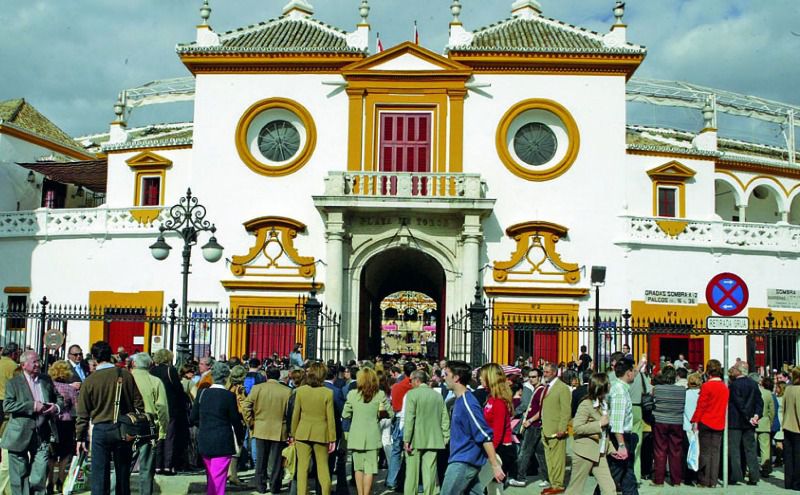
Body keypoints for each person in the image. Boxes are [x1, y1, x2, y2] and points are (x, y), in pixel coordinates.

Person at [76, 340, 145, 495]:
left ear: (94, 358)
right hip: (123, 428)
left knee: (99, 474)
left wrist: (80, 436)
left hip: (100, 429)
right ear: (111, 355)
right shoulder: (125, 375)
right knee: (122, 473)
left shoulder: (90, 380)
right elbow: (138, 403)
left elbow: (83, 413)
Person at [0, 350, 62, 495]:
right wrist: (32, 406)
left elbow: (59, 398)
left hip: (42, 433)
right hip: (19, 434)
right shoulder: (14, 383)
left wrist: (56, 407)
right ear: (23, 365)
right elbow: (8, 406)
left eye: (38, 361)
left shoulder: (45, 379)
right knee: (19, 476)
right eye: (34, 361)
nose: (38, 364)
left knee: (38, 474)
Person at [440, 360, 504, 495]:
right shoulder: (459, 400)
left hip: (463, 461)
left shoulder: (467, 402)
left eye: (446, 374)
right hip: (464, 459)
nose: (443, 377)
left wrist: (495, 465)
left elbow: (484, 434)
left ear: (456, 378)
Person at [190, 362, 245, 495]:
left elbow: (192, 418)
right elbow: (235, 421)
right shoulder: (229, 396)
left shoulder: (202, 393)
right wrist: (240, 438)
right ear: (226, 378)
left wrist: (204, 425)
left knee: (211, 477)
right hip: (222, 440)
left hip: (205, 438)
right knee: (218, 480)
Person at [343, 367, 393, 495]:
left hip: (356, 435)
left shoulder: (352, 394)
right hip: (372, 435)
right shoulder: (380, 395)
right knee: (370, 469)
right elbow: (391, 413)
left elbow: (345, 414)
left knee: (358, 468)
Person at [243, 366, 292, 494]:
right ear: (279, 376)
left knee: (261, 459)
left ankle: (260, 485)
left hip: (260, 427)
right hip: (280, 428)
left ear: (266, 376)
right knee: (276, 461)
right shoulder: (287, 391)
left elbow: (246, 406)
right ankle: (275, 486)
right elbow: (290, 412)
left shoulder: (257, 388)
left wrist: (251, 422)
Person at [290, 361, 337, 495]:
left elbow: (295, 415)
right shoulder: (328, 393)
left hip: (302, 432)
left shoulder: (300, 391)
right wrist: (332, 438)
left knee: (302, 469)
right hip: (321, 433)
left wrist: (292, 434)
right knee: (323, 468)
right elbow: (330, 418)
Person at [565, 373, 616, 495]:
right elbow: (577, 428)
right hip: (584, 453)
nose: (610, 385)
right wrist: (598, 424)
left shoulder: (604, 403)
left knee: (610, 489)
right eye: (608, 383)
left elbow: (604, 433)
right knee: (575, 490)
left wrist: (612, 449)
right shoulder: (586, 404)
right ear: (602, 386)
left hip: (600, 453)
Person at [403, 370, 449, 495]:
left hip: (415, 438)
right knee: (430, 471)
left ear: (417, 380)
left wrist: (406, 439)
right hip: (433, 437)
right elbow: (445, 418)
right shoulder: (437, 395)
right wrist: (445, 436)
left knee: (412, 472)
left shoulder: (412, 394)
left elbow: (409, 418)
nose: (410, 383)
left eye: (411, 380)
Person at [130, 352, 169, 495]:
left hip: (127, 424)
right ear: (150, 365)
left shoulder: (126, 379)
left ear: (133, 364)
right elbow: (162, 408)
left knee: (122, 466)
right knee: (146, 468)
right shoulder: (155, 381)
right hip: (148, 425)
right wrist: (163, 430)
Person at [690, 359, 728, 488]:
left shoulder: (706, 386)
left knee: (705, 452)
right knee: (715, 453)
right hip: (719, 422)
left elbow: (701, 406)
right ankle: (713, 480)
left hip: (706, 421)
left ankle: (704, 480)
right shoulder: (724, 387)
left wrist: (695, 420)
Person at [150, 348, 188, 476]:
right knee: (169, 437)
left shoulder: (152, 371)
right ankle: (168, 465)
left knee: (158, 436)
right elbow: (178, 390)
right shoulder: (170, 370)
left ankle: (157, 465)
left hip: (156, 407)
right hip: (171, 407)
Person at [479, 363, 517, 489]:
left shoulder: (499, 402)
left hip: (499, 449)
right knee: (493, 488)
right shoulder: (491, 399)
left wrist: (490, 453)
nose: (479, 378)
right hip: (494, 448)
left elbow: (498, 432)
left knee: (479, 487)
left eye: (482, 376)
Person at [509, 368, 548, 489]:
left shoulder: (540, 390)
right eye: (530, 377)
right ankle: (548, 477)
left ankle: (520, 478)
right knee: (539, 452)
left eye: (534, 377)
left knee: (525, 451)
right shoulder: (537, 389)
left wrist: (530, 420)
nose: (531, 379)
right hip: (533, 424)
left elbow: (541, 410)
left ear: (540, 377)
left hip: (533, 425)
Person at [607, 358, 638, 495]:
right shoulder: (619, 391)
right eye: (633, 370)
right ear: (628, 373)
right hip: (620, 438)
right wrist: (621, 445)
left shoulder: (619, 387)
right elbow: (617, 422)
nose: (635, 373)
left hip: (624, 437)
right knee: (614, 474)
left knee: (627, 474)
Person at [727, 362, 762, 485]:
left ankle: (736, 475)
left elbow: (739, 403)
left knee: (734, 450)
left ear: (739, 371)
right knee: (751, 450)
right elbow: (759, 402)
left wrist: (748, 417)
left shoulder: (733, 385)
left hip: (736, 422)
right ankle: (754, 476)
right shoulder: (753, 384)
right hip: (750, 422)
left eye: (735, 368)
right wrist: (756, 415)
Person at [47, 360, 79, 494]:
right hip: (66, 423)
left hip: (52, 423)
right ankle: (60, 478)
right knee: (65, 453)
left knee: (51, 454)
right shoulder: (70, 388)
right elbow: (76, 408)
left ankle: (50, 481)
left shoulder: (49, 385)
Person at [651, 366, 686, 486]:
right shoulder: (682, 390)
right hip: (677, 421)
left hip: (660, 421)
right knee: (676, 451)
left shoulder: (657, 389)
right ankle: (676, 480)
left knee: (660, 450)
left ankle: (659, 480)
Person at [541, 363, 571, 495]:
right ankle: (553, 482)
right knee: (549, 459)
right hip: (546, 428)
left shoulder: (562, 388)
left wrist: (562, 428)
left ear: (554, 372)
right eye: (544, 372)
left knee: (558, 459)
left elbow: (566, 410)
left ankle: (558, 484)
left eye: (547, 372)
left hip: (556, 429)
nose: (544, 374)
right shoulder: (546, 387)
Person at [386, 361, 415, 490]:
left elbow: (395, 406)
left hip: (399, 419)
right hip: (413, 420)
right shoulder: (416, 387)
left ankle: (392, 480)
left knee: (396, 451)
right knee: (412, 452)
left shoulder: (397, 387)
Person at [0, 342, 20, 494]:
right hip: (6, 406)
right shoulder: (14, 366)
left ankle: (7, 489)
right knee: (7, 446)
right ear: (14, 354)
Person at [226, 365, 248, 486]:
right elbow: (241, 406)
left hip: (227, 419)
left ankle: (229, 473)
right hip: (237, 420)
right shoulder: (239, 389)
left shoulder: (227, 386)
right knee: (236, 448)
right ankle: (233, 475)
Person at [682, 372, 702, 486]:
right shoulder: (701, 394)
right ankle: (698, 475)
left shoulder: (685, 394)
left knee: (687, 453)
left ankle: (688, 477)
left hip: (686, 426)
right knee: (699, 452)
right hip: (699, 426)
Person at [782, 367, 800, 490]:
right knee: (798, 458)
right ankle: (797, 483)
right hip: (797, 428)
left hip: (787, 426)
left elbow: (783, 408)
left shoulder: (788, 390)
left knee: (788, 457)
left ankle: (788, 482)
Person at [756, 375, 775, 477]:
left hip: (754, 422)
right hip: (765, 422)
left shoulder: (755, 392)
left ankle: (752, 469)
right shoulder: (768, 394)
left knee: (752, 447)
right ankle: (766, 468)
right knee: (765, 448)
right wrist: (770, 421)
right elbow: (771, 410)